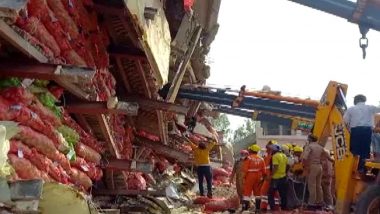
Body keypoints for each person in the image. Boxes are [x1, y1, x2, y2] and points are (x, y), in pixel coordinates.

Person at [344, 94, 380, 174]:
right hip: (367, 131)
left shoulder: (351, 109)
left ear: (356, 100)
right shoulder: (370, 107)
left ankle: (352, 168)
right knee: (365, 150)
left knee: (355, 150)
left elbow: (345, 121)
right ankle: (362, 169)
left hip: (355, 131)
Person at [302, 135, 330, 209]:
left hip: (312, 166)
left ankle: (311, 203)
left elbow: (305, 157)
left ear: (310, 139)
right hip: (319, 167)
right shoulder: (320, 147)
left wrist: (305, 167)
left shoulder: (309, 146)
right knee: (318, 185)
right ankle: (319, 201)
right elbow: (327, 156)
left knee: (312, 185)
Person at [241, 144, 266, 211]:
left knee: (247, 193)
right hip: (259, 177)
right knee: (258, 194)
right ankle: (258, 209)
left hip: (250, 176)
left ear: (251, 150)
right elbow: (264, 171)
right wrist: (263, 179)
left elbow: (245, 170)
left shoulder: (248, 158)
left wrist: (243, 178)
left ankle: (245, 209)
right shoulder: (261, 159)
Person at [268, 144, 288, 211]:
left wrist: (271, 175)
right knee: (283, 194)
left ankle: (273, 209)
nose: (271, 150)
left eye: (272, 149)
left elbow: (275, 167)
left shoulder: (275, 156)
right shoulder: (284, 155)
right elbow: (287, 166)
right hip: (283, 177)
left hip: (276, 178)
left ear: (274, 150)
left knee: (270, 194)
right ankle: (284, 208)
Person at [260, 140, 279, 210]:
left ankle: (265, 206)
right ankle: (274, 206)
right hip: (269, 177)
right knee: (273, 192)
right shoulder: (268, 156)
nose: (267, 149)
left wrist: (269, 176)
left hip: (270, 177)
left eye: (268, 147)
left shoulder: (273, 157)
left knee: (264, 191)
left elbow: (273, 168)